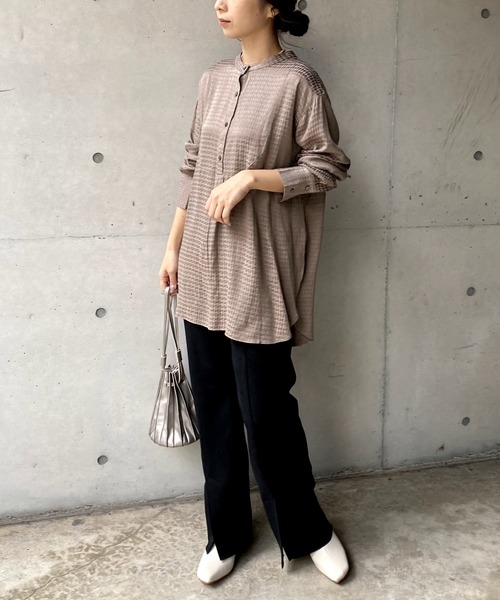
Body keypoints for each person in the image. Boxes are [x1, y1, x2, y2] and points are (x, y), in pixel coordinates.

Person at [158, 0, 352, 586]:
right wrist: (172, 247)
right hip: (200, 266)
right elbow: (193, 168)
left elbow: (327, 166)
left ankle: (308, 531)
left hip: (257, 269)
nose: (220, 3)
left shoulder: (298, 83)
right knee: (216, 407)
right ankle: (225, 534)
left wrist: (252, 178)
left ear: (271, 7)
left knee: (267, 412)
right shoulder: (212, 79)